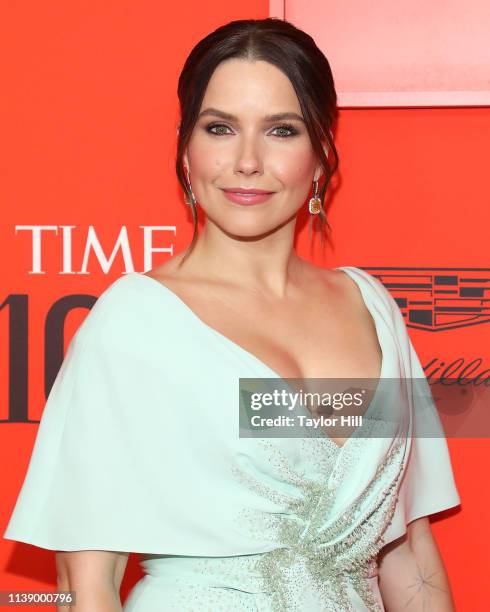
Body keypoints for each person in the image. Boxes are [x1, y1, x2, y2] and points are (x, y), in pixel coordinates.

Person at [3, 17, 461, 612]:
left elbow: (408, 554)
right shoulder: (136, 322)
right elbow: (86, 582)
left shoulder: (372, 309)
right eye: (219, 128)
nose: (247, 161)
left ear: (321, 154)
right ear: (186, 149)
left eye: (281, 130)